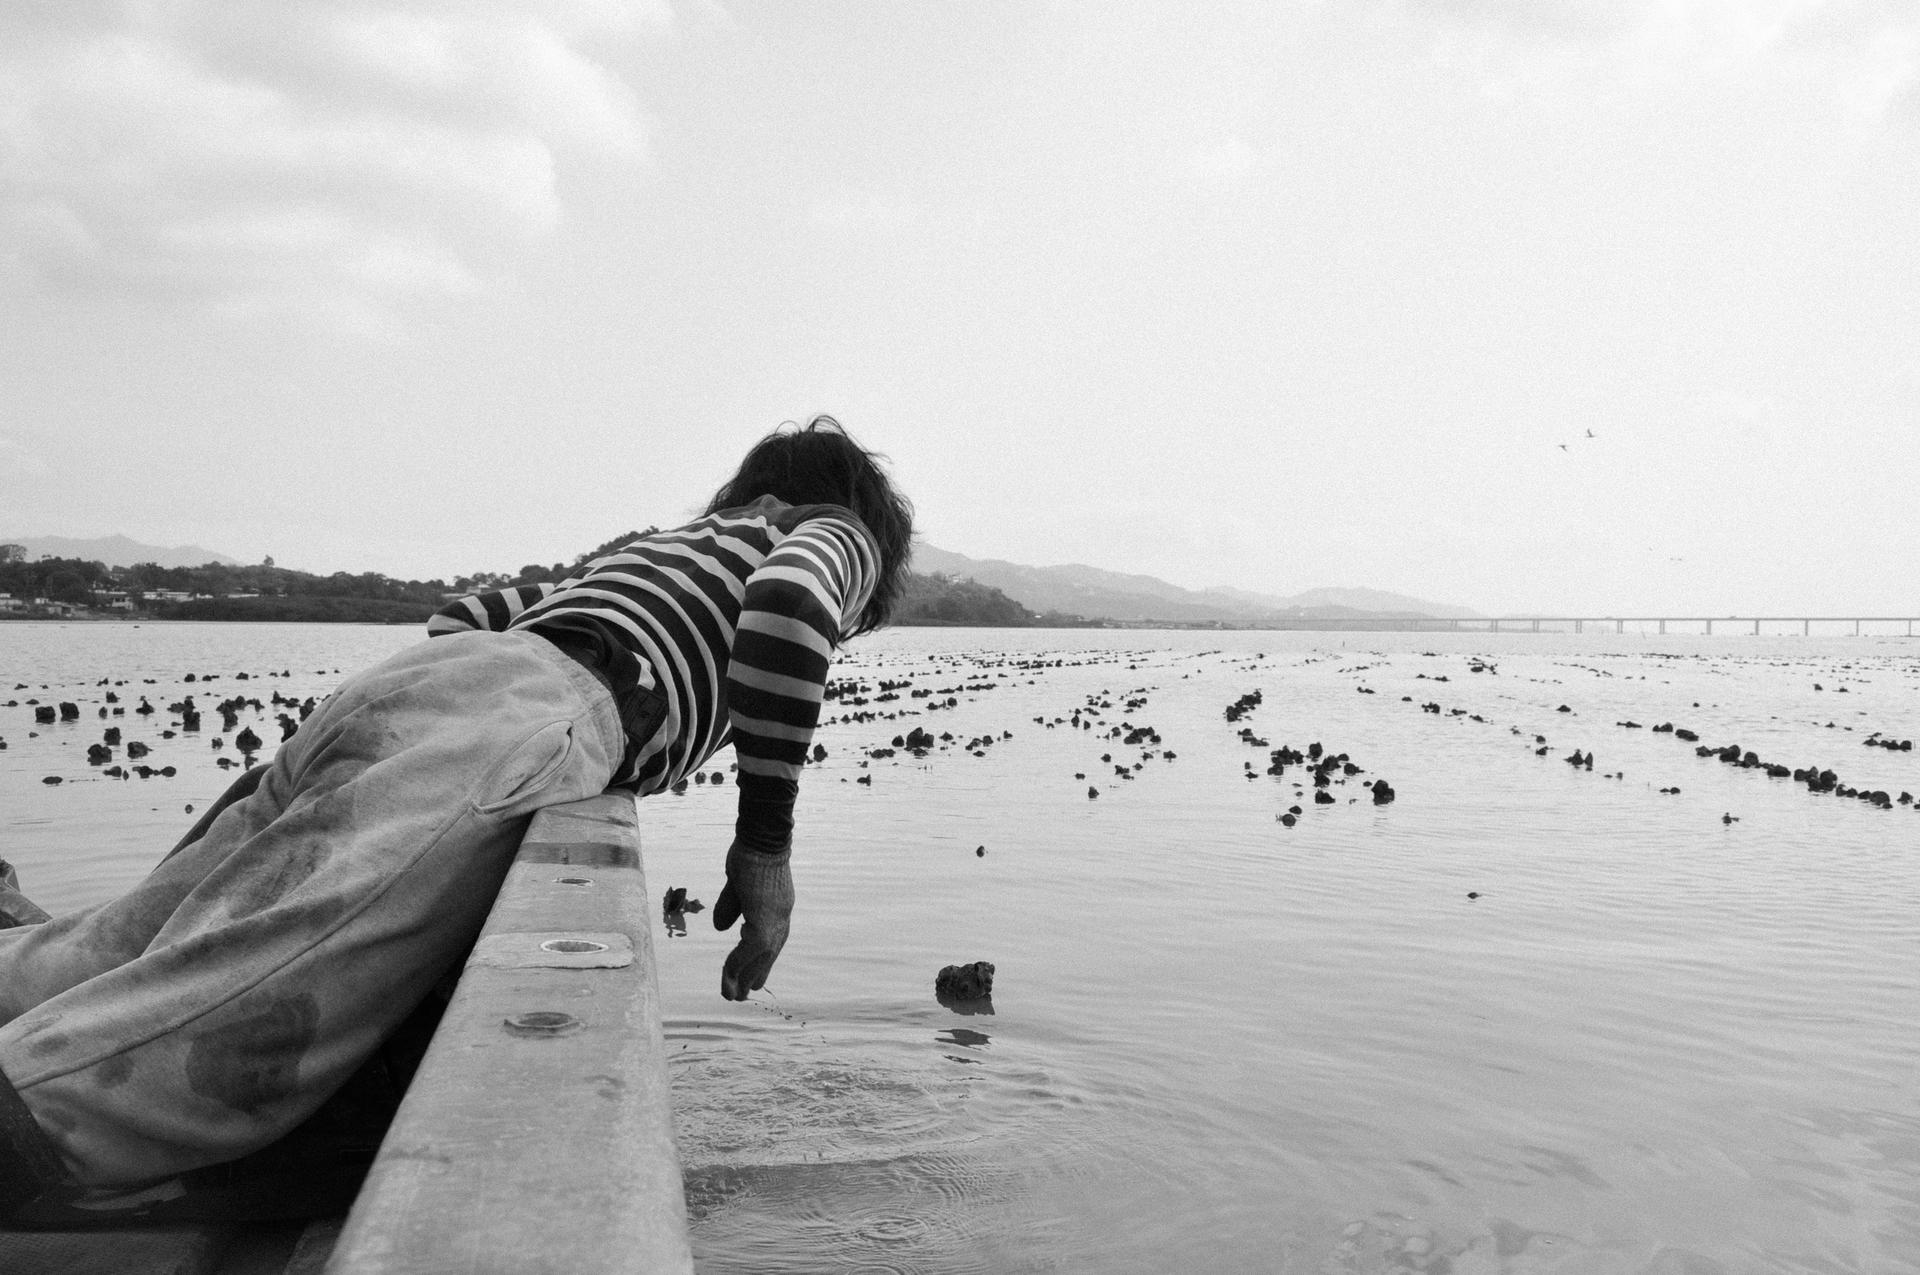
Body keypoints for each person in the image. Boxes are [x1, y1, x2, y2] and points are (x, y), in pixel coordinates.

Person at [0, 416, 913, 1226]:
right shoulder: (834, 532)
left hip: (409, 687)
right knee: (237, 1008)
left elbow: (464, 615)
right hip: (539, 703)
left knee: (144, 935)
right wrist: (764, 847)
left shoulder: (661, 547)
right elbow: (791, 609)